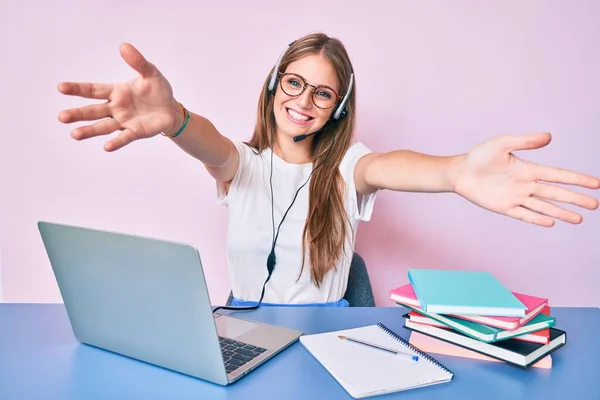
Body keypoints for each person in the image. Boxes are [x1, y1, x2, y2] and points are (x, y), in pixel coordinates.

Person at [57, 32, 600, 308]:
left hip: (330, 336)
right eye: (294, 82)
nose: (304, 100)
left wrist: (456, 171)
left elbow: (391, 167)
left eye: (323, 93)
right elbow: (212, 146)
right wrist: (174, 119)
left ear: (337, 108)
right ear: (274, 84)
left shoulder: (347, 168)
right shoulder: (242, 166)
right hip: (244, 326)